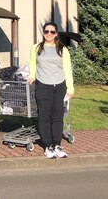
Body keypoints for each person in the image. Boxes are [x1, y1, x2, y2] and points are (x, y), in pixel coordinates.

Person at [28, 22, 74, 159]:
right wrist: (31, 76)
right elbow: (32, 63)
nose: (49, 34)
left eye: (52, 32)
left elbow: (67, 69)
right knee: (44, 117)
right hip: (43, 86)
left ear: (56, 33)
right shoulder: (36, 48)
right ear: (43, 33)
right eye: (46, 31)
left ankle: (56, 145)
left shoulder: (62, 49)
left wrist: (70, 88)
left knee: (58, 117)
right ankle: (47, 146)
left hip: (59, 86)